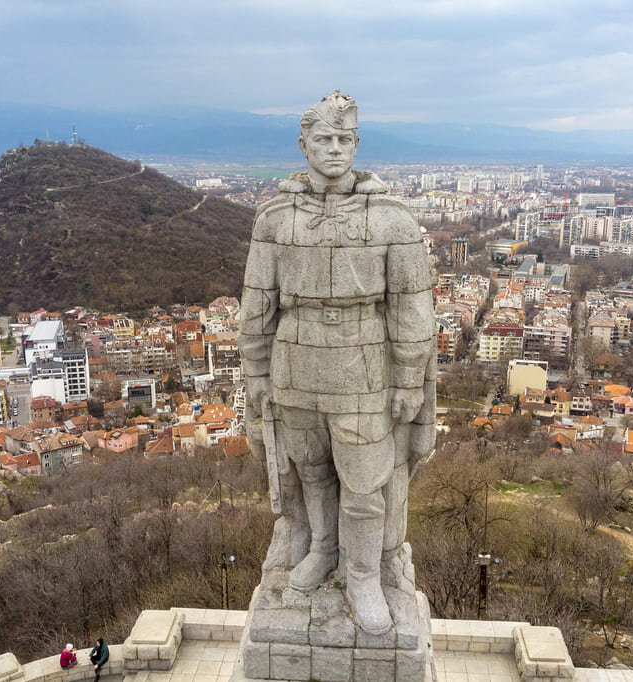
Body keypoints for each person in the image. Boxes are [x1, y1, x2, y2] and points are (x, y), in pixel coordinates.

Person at [241, 91, 435, 635]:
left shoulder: (392, 219)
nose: (334, 149)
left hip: (363, 362)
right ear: (303, 145)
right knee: (310, 470)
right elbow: (257, 302)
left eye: (343, 139)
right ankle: (322, 547)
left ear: (357, 143)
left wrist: (410, 378)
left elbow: (411, 304)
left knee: (365, 481)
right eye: (323, 139)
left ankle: (365, 575)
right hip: (295, 363)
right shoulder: (275, 217)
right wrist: (256, 373)